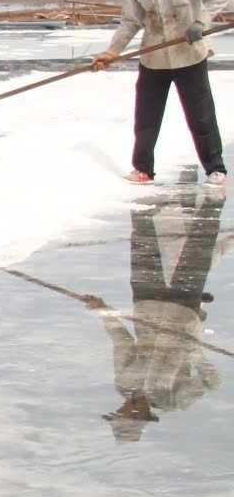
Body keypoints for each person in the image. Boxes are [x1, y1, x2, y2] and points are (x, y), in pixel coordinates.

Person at [91, 0, 232, 187]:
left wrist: (200, 21)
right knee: (146, 117)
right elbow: (130, 21)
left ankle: (216, 169)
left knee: (201, 116)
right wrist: (111, 52)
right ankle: (143, 169)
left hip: (189, 54)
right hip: (154, 57)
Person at [92, 188, 221, 440]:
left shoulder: (124, 385)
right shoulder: (173, 401)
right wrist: (192, 349)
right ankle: (215, 196)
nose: (118, 410)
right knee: (199, 245)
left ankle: (143, 194)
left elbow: (122, 343)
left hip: (146, 304)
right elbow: (211, 381)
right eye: (120, 415)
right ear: (138, 418)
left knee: (143, 246)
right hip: (183, 310)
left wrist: (103, 311)